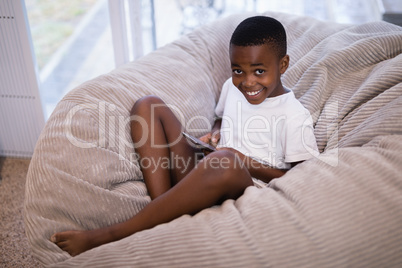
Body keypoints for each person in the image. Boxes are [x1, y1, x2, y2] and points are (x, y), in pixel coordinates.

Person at [51, 16, 319, 256]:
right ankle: (164, 210)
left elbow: (300, 181)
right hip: (207, 168)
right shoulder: (232, 88)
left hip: (244, 187)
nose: (247, 81)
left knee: (224, 161)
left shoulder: (294, 116)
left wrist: (244, 161)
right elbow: (221, 117)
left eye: (259, 71)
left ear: (282, 65)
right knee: (148, 105)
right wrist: (214, 135)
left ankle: (111, 234)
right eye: (238, 70)